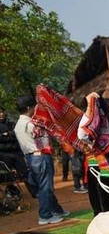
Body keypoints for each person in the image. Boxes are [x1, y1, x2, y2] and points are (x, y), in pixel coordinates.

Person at [14, 95, 69, 225]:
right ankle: (45, 215)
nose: (35, 109)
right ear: (28, 108)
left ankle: (57, 210)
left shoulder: (17, 125)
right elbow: (44, 140)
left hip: (30, 157)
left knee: (45, 185)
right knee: (45, 187)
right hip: (40, 156)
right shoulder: (32, 123)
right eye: (34, 107)